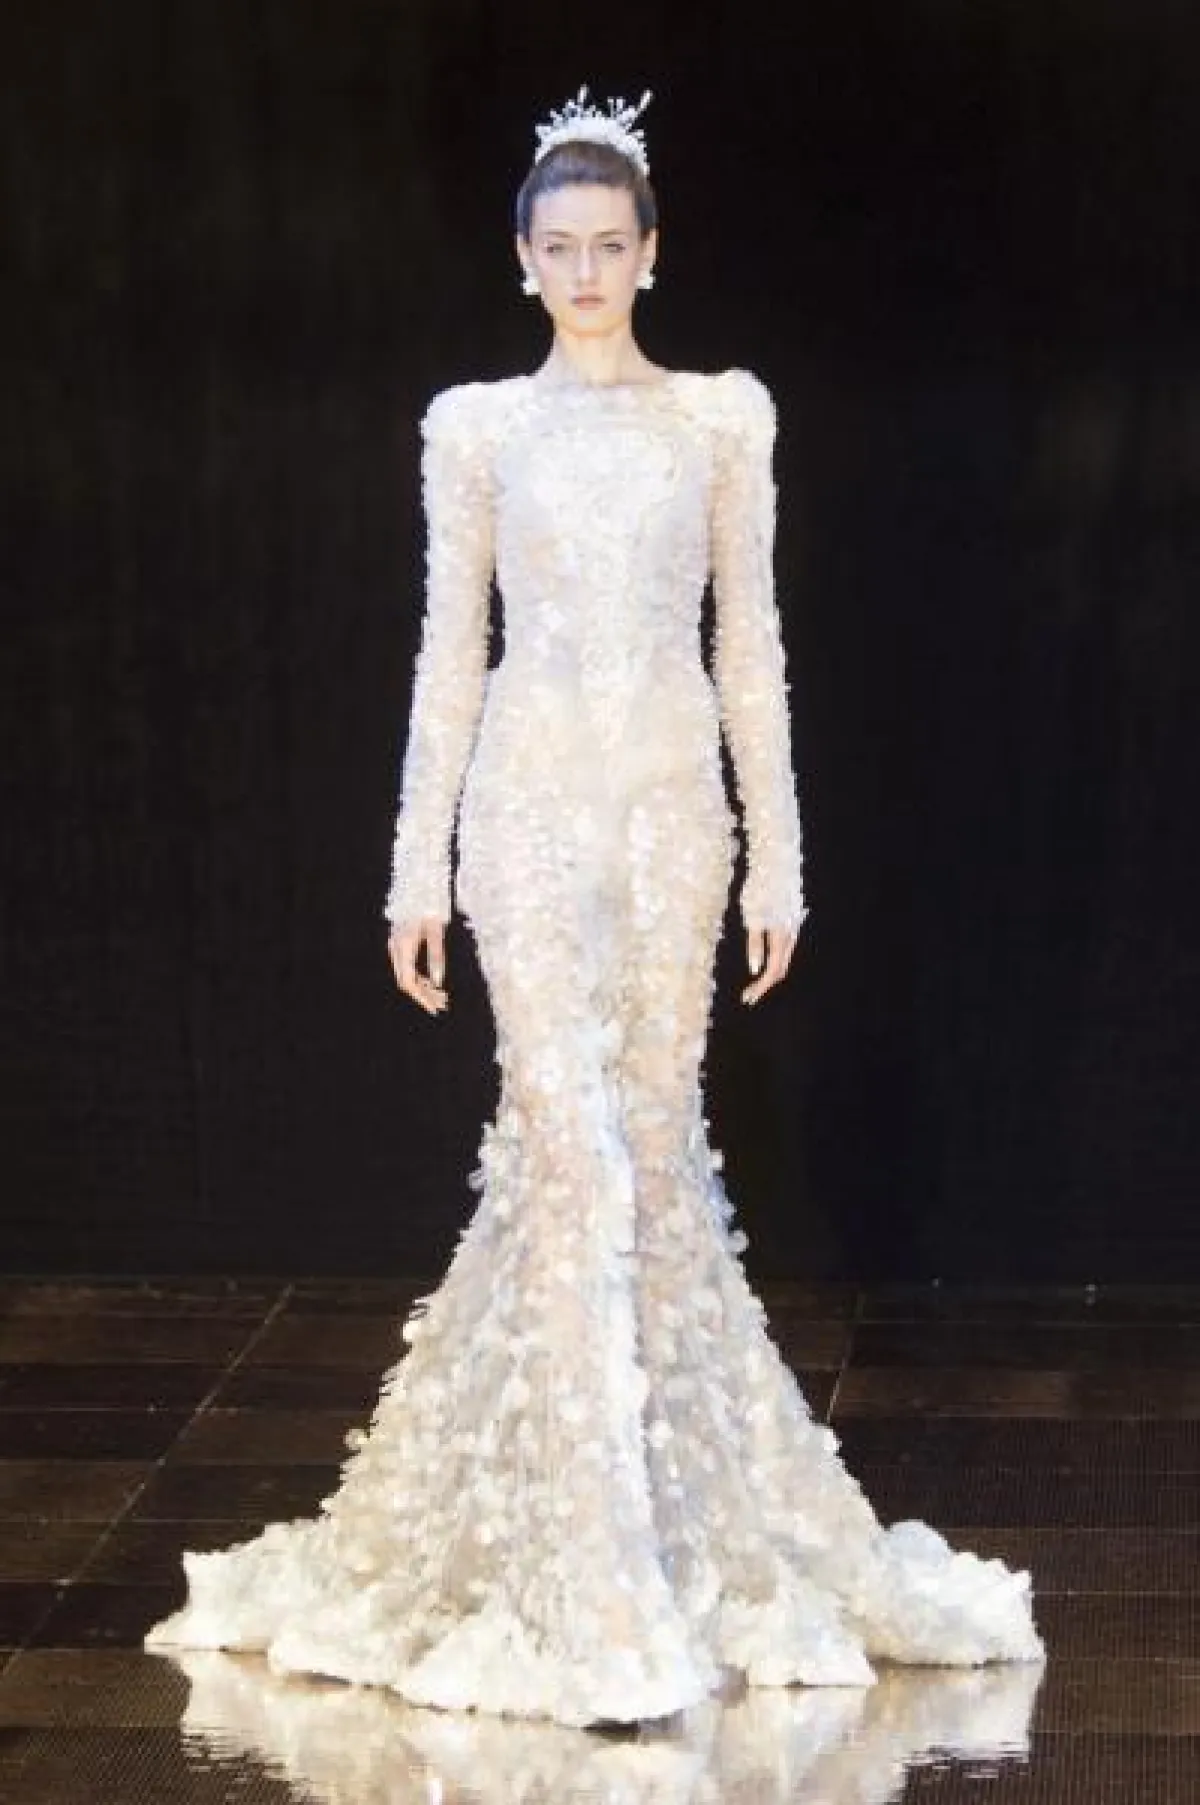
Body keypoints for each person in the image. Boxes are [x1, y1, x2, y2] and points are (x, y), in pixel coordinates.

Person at [146, 83, 1042, 1728]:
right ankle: (597, 1587)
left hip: (674, 814)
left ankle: (667, 1520)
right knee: (565, 1153)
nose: (583, 272)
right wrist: (416, 867)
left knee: (649, 1149)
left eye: (607, 245)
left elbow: (750, 646)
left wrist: (779, 855)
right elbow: (450, 655)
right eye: (556, 247)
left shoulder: (721, 421)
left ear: (651, 251)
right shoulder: (477, 429)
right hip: (532, 814)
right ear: (520, 258)